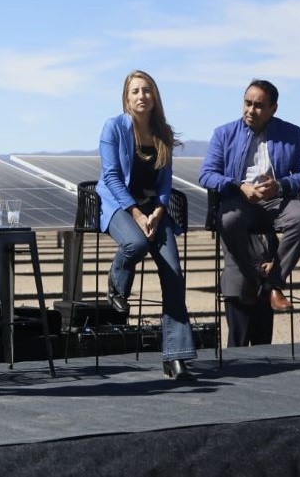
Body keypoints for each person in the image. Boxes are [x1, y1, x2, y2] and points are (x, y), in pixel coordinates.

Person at [96, 69, 197, 380]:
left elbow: (166, 180)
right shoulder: (114, 127)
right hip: (120, 206)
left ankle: (176, 357)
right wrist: (137, 214)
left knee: (174, 275)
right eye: (136, 91)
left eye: (147, 90)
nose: (142, 96)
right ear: (127, 98)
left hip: (154, 210)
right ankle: (116, 281)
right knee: (136, 243)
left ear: (155, 97)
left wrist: (158, 210)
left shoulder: (162, 132)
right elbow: (112, 177)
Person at [199, 79, 300, 341]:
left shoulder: (290, 133)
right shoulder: (224, 133)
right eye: (247, 103)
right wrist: (239, 187)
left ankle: (273, 282)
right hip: (241, 200)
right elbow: (206, 175)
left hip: (275, 200)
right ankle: (255, 278)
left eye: (259, 106)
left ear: (273, 108)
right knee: (228, 220)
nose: (251, 110)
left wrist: (282, 185)